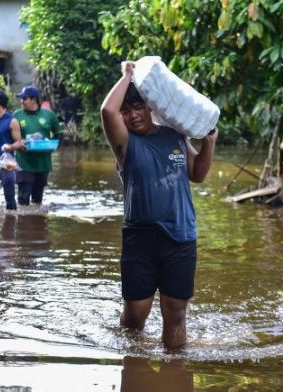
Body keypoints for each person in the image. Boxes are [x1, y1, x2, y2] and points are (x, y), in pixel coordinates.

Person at [100, 61, 218, 350]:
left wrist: (209, 144)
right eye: (126, 111)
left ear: (150, 107)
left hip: (180, 236)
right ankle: (133, 365)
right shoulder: (124, 143)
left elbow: (198, 175)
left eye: (138, 107)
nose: (133, 115)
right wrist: (128, 76)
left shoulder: (173, 136)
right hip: (140, 238)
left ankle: (175, 371)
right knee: (135, 317)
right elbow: (107, 111)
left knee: (176, 312)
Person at [13, 85, 61, 208]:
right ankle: (22, 225)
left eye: (24, 99)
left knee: (37, 200)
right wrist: (18, 144)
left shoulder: (49, 115)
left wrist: (54, 145)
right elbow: (10, 135)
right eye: (21, 99)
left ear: (34, 100)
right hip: (23, 162)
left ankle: (36, 223)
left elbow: (58, 134)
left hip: (42, 163)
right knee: (23, 198)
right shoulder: (16, 115)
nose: (21, 101)